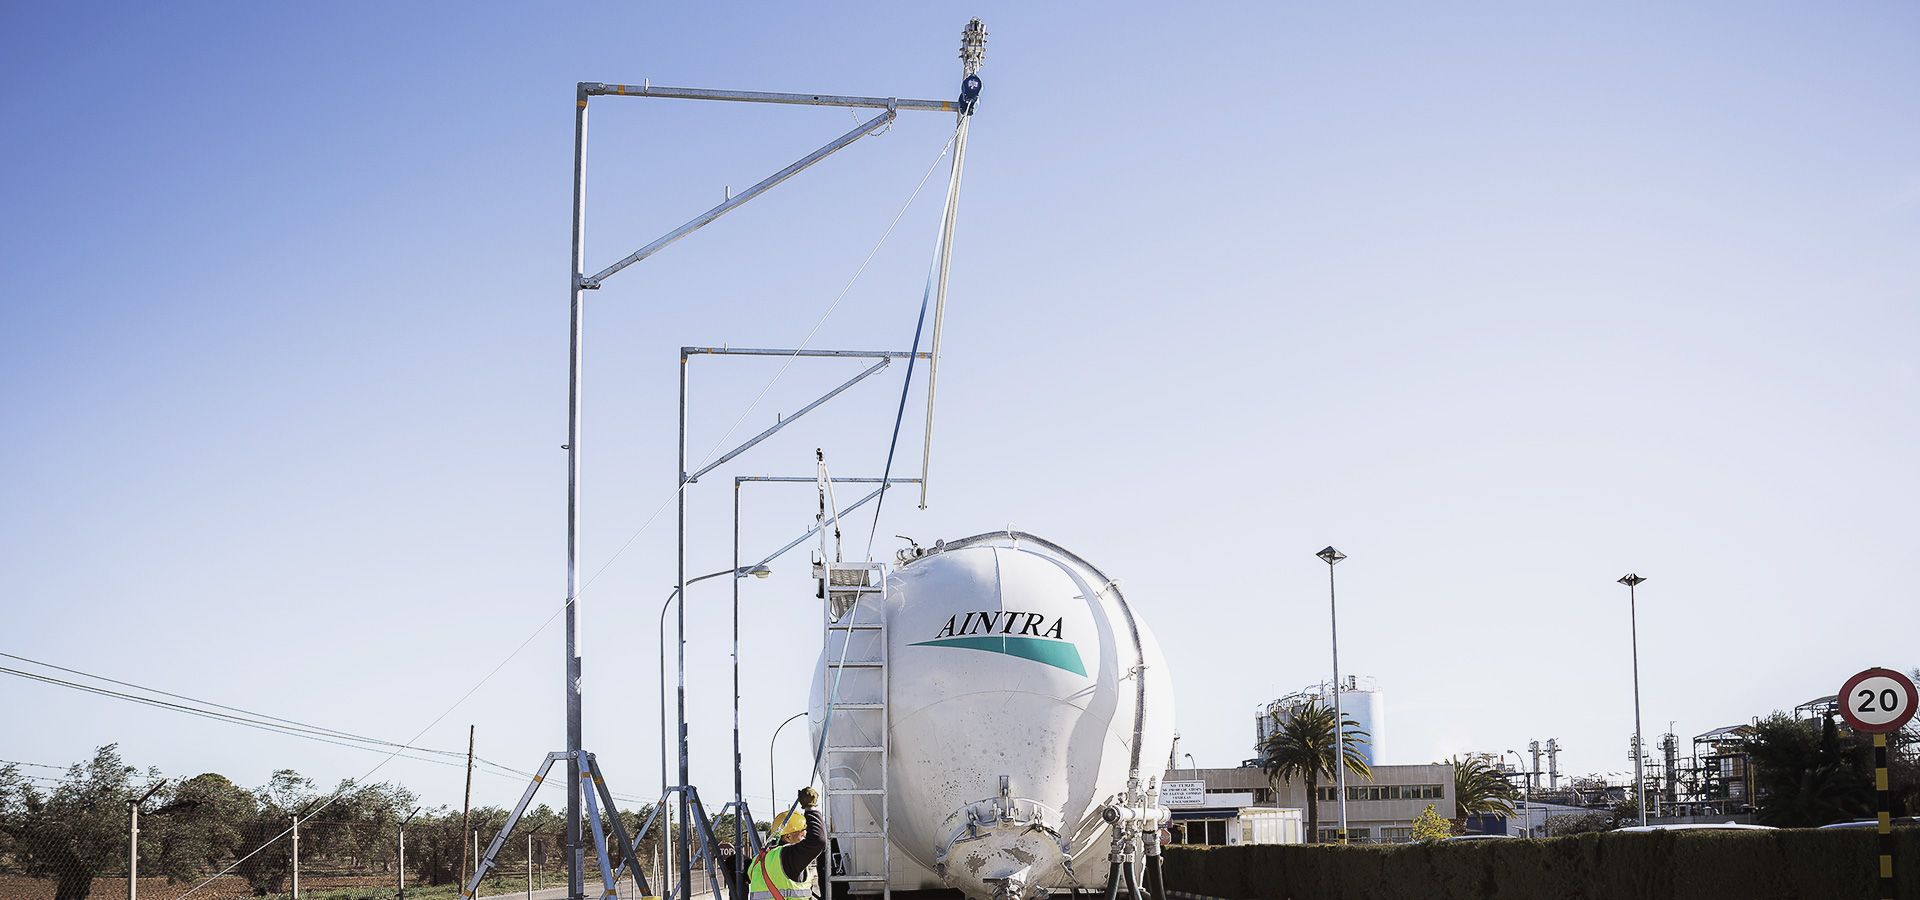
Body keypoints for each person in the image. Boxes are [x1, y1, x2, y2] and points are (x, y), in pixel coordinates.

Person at [748, 786, 825, 900]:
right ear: (788, 836)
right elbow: (817, 840)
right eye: (802, 833)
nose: (805, 836)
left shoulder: (758, 860)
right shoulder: (789, 856)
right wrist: (810, 808)